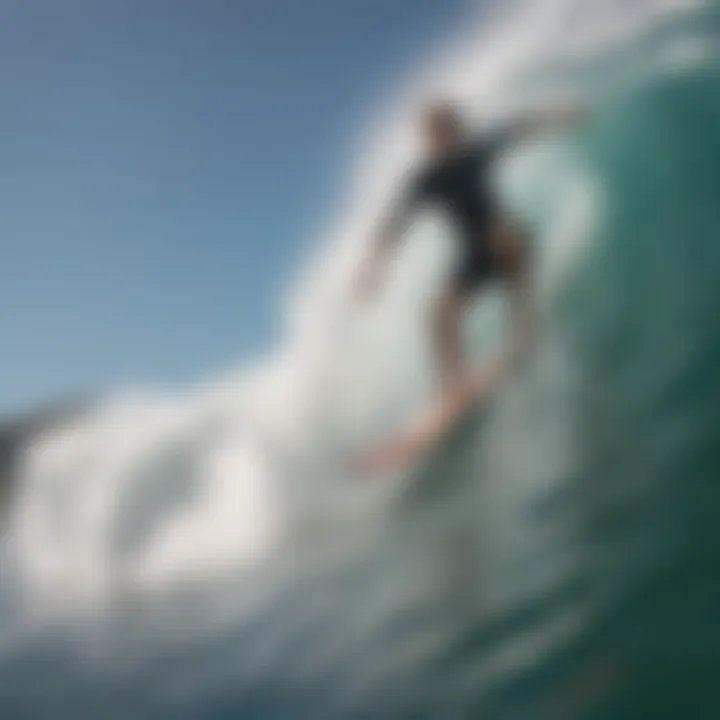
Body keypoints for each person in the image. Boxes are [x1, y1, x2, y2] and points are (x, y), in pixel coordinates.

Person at [355, 101, 587, 397]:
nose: (440, 142)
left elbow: (521, 127)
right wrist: (373, 269)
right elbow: (394, 224)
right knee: (437, 317)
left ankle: (523, 323)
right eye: (432, 136)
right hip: (474, 256)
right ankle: (453, 386)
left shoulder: (476, 153)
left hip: (507, 242)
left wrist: (564, 115)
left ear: (457, 131)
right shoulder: (426, 179)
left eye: (446, 132)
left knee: (504, 234)